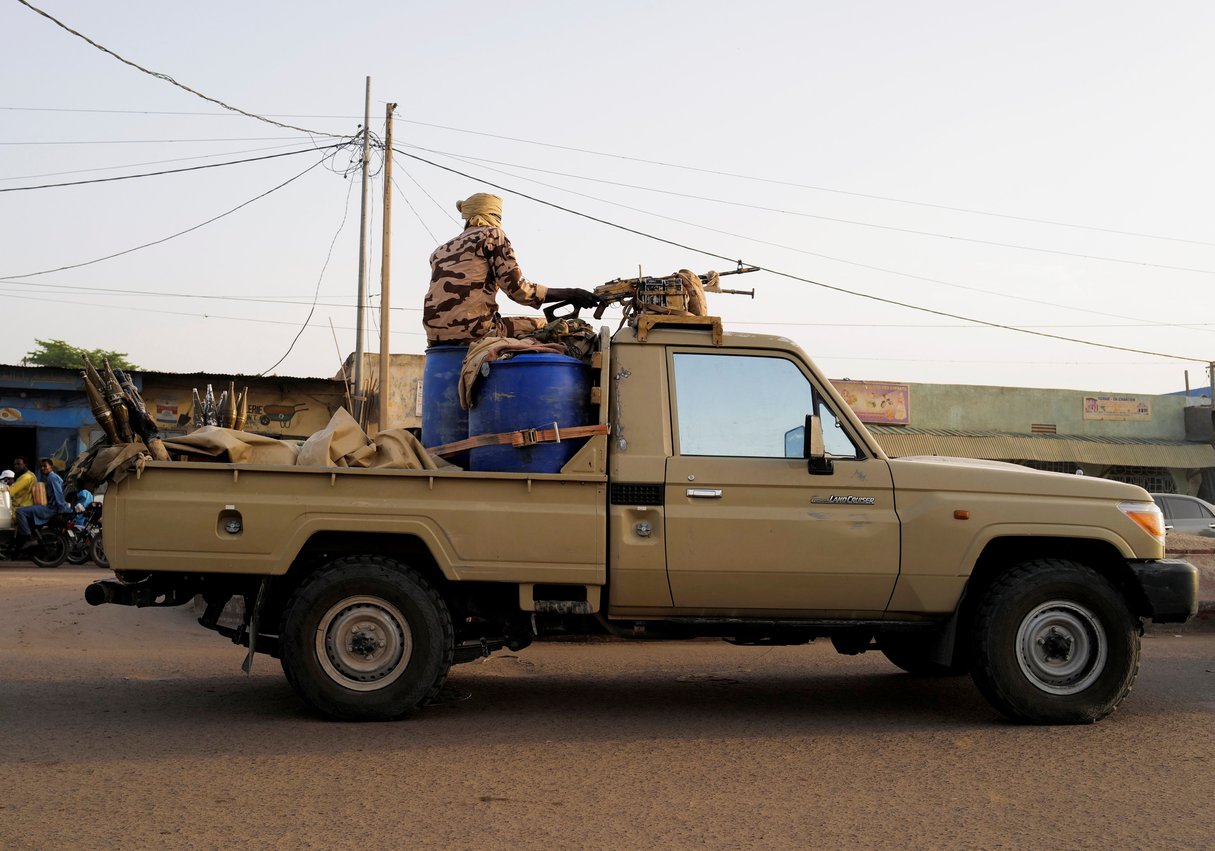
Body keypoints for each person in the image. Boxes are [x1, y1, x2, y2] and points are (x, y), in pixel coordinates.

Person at [422, 192, 597, 345]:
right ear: (493, 216)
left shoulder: (439, 251)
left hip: (435, 338)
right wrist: (573, 293)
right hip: (476, 332)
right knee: (558, 328)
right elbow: (519, 291)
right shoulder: (492, 235)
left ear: (468, 218)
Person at [14, 457, 69, 546]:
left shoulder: (52, 478)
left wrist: (61, 511)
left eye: (45, 466)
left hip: (51, 509)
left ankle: (29, 538)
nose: (42, 468)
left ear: (51, 466)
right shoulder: (54, 477)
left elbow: (58, 494)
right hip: (52, 508)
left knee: (20, 511)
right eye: (41, 466)